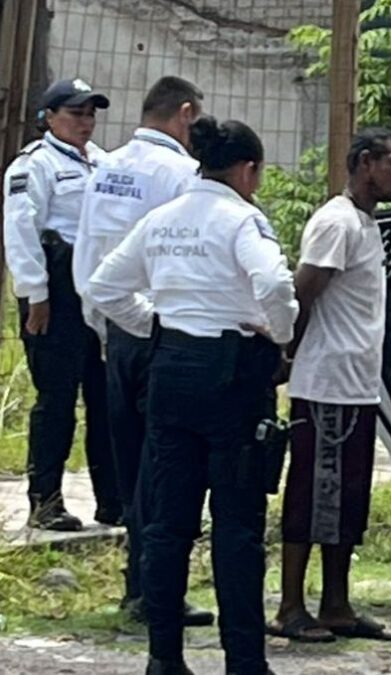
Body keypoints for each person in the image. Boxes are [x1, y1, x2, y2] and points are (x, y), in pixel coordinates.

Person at [87, 116, 297, 675]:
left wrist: (155, 324)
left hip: (171, 372)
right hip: (232, 379)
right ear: (248, 170)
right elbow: (275, 284)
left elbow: (105, 286)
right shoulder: (243, 219)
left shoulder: (162, 219)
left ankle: (164, 658)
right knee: (237, 526)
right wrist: (279, 333)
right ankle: (244, 662)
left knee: (168, 524)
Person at [73, 76, 213, 627]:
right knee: (168, 466)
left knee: (130, 460)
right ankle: (157, 591)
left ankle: (138, 585)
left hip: (116, 331)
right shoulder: (182, 174)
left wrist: (106, 327)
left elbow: (89, 255)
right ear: (185, 114)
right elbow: (189, 260)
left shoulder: (105, 168)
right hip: (163, 332)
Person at [267, 128, 391, 644]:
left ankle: (336, 604)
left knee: (346, 499)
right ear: (365, 162)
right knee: (311, 493)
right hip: (327, 382)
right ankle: (289, 606)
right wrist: (286, 354)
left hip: (357, 383)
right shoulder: (336, 221)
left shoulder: (367, 224)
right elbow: (303, 293)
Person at [1, 78, 120, 531]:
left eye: (90, 114)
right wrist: (36, 295)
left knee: (106, 398)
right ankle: (45, 501)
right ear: (49, 117)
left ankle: (112, 500)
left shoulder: (104, 163)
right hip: (56, 291)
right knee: (57, 399)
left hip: (99, 291)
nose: (85, 122)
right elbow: (22, 233)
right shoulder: (34, 165)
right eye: (75, 113)